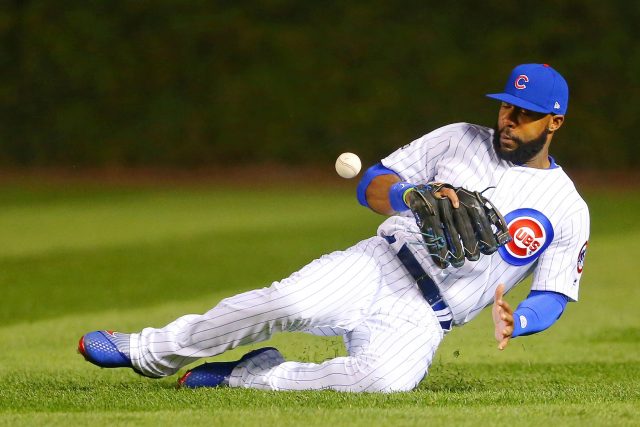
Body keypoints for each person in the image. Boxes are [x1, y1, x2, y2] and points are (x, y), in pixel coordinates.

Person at [78, 63, 590, 392]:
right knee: (284, 303)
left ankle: (257, 375)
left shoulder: (567, 207)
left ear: (554, 122)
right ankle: (147, 350)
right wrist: (405, 195)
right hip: (377, 265)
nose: (508, 118)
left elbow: (554, 292)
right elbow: (371, 181)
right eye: (506, 105)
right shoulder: (458, 139)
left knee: (384, 383)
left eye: (525, 114)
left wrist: (517, 321)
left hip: (426, 316)